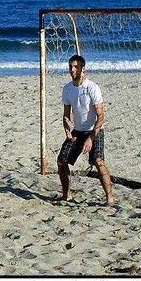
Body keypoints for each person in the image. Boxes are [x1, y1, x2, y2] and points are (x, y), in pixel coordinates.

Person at [57, 54, 114, 205]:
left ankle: (110, 197)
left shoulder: (92, 87)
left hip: (94, 130)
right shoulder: (67, 89)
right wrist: (67, 129)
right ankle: (67, 195)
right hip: (78, 130)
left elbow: (101, 117)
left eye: (75, 67)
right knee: (61, 161)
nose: (72, 70)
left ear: (83, 69)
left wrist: (90, 139)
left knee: (98, 161)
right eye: (70, 67)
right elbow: (66, 116)